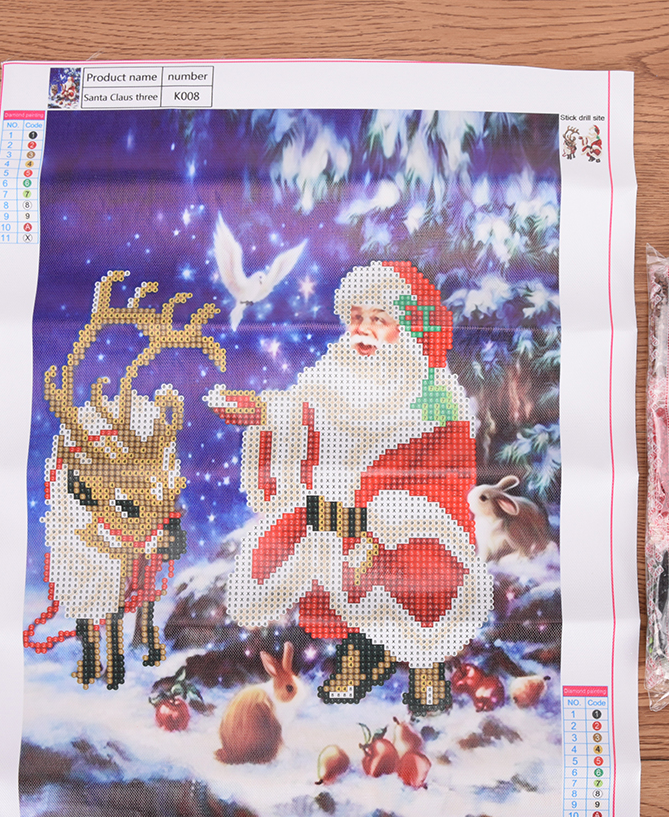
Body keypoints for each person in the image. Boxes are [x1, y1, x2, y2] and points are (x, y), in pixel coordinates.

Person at [206, 260, 493, 716]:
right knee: (312, 541)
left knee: (422, 571)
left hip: (414, 524)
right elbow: (298, 413)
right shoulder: (332, 376)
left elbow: (449, 478)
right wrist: (260, 412)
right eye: (357, 317)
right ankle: (362, 650)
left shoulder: (437, 395)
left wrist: (385, 516)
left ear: (407, 329)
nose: (362, 329)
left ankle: (427, 663)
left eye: (378, 319)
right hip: (340, 516)